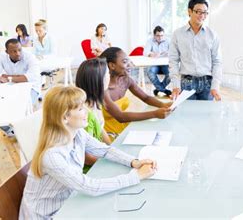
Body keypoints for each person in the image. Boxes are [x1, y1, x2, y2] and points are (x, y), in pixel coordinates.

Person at [19, 86, 156, 219]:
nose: (86, 111)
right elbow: (90, 187)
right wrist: (136, 177)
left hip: (67, 203)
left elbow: (104, 150)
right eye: (80, 109)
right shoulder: (52, 156)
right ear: (64, 117)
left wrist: (134, 162)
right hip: (47, 215)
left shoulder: (77, 133)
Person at [100, 47, 172, 138]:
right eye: (125, 62)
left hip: (123, 128)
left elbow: (146, 98)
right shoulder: (103, 88)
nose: (130, 65)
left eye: (129, 61)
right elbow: (120, 116)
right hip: (107, 134)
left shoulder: (126, 80)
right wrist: (155, 114)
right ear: (112, 65)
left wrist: (164, 105)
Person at [169, 0, 222, 101]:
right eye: (198, 11)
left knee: (207, 115)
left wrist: (215, 86)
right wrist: (175, 85)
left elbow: (217, 62)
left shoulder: (213, 35)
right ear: (189, 11)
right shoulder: (178, 34)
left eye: (205, 12)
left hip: (207, 83)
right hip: (186, 83)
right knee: (187, 115)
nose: (202, 15)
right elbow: (173, 61)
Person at [75, 58, 112, 172]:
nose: (110, 76)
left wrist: (112, 150)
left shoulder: (94, 103)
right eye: (107, 74)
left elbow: (101, 129)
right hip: (87, 169)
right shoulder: (83, 113)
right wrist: (109, 163)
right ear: (98, 80)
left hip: (97, 156)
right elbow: (85, 156)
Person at [144, 25, 171, 96]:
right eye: (158, 35)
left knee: (172, 73)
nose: (160, 37)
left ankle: (158, 89)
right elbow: (145, 52)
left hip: (165, 64)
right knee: (150, 72)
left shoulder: (168, 40)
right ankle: (163, 90)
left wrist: (168, 53)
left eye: (162, 35)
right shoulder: (150, 41)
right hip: (154, 64)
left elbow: (173, 51)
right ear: (154, 35)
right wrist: (151, 54)